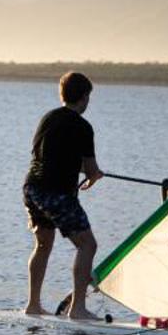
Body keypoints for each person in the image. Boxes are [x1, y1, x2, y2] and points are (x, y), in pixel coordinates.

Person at [23, 71, 105, 319]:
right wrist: (94, 175)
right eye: (88, 97)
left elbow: (51, 157)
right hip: (56, 192)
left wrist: (84, 170)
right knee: (87, 245)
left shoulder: (48, 118)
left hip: (32, 188)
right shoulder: (82, 127)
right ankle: (77, 309)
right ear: (83, 97)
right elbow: (90, 169)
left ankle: (33, 305)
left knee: (43, 244)